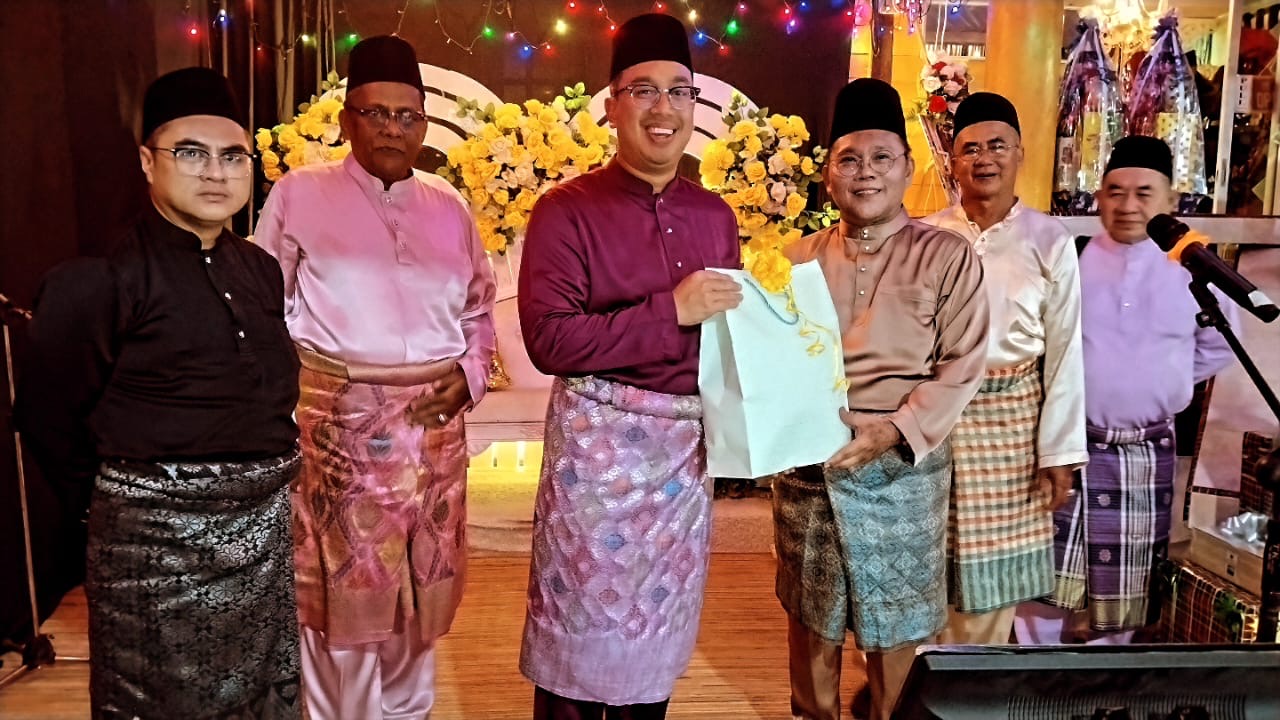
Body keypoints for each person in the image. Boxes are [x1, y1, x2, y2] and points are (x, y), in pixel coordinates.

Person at [16, 67, 302, 718]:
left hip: (261, 540)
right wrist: (122, 509)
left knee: (261, 698)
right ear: (148, 162)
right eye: (191, 153)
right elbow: (47, 415)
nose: (216, 172)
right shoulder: (100, 276)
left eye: (233, 156)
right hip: (153, 549)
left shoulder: (259, 269)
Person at [254, 35, 496, 719]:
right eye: (377, 112)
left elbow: (479, 309)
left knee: (418, 600)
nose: (393, 128)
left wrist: (472, 374)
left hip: (435, 432)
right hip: (337, 431)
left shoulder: (448, 204)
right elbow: (261, 308)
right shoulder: (300, 195)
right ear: (346, 120)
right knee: (343, 609)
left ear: (424, 124)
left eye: (407, 115)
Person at [516, 13, 742, 720]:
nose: (663, 108)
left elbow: (727, 346)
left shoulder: (715, 216)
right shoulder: (566, 211)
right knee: (578, 666)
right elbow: (549, 340)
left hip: (681, 470)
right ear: (611, 105)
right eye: (643, 89)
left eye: (679, 91)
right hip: (595, 468)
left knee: (653, 660)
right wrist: (669, 311)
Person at [774, 78, 989, 720]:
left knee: (897, 636)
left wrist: (895, 430)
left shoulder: (946, 255)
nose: (865, 172)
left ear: (907, 167)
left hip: (903, 473)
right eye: (849, 159)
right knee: (810, 626)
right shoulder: (793, 260)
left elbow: (963, 363)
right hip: (811, 471)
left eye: (881, 157)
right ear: (828, 173)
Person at [1013, 136, 1235, 644]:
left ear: (1171, 199)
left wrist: (1161, 381)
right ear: (1099, 197)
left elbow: (1220, 346)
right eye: (1115, 191)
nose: (1128, 205)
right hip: (1068, 447)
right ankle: (1034, 678)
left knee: (1127, 598)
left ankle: (1103, 683)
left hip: (1145, 451)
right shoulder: (1071, 256)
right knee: (1041, 588)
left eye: (1143, 193)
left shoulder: (1195, 265)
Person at [924, 92, 1088, 645]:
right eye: (970, 148)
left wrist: (1058, 453)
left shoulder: (1050, 239)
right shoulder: (926, 235)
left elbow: (1064, 351)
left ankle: (972, 681)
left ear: (1020, 154)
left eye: (997, 146)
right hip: (935, 419)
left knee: (991, 587)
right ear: (953, 161)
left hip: (1013, 427)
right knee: (924, 565)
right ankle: (914, 680)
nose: (984, 159)